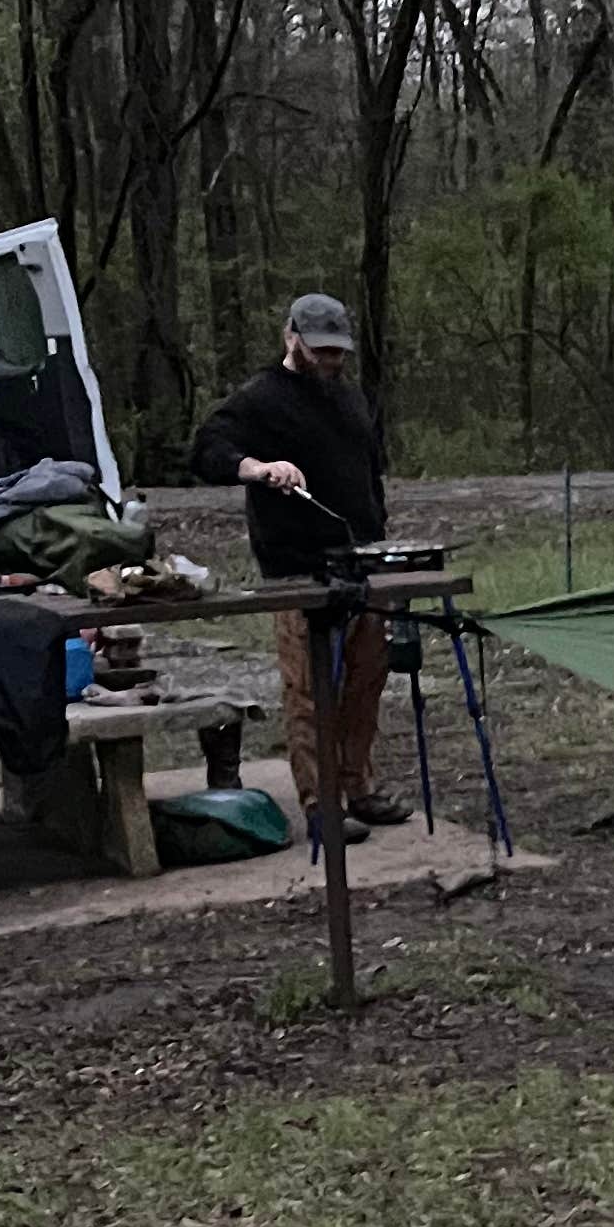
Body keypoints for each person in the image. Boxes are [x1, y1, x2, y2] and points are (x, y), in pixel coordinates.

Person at [189, 292, 409, 836]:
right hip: (298, 565)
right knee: (311, 687)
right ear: (292, 338)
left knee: (365, 679)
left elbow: (367, 470)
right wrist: (257, 468)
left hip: (360, 558)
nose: (330, 360)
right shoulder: (261, 398)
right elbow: (206, 449)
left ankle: (358, 785)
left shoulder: (351, 399)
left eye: (337, 351)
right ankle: (320, 804)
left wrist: (377, 528)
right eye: (320, 350)